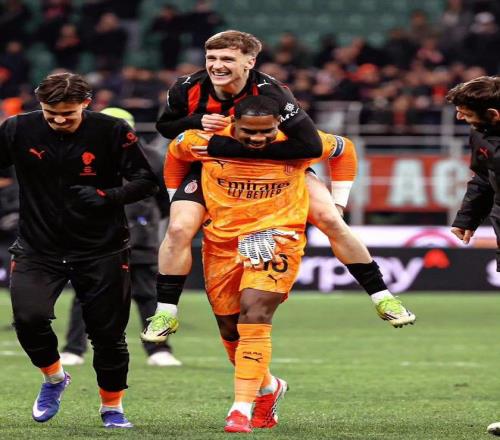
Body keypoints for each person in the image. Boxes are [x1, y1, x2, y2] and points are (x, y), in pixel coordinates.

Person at [142, 30, 415, 342]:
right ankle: (166, 312)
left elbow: (312, 146)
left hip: (279, 169)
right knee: (178, 229)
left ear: (249, 62)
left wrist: (229, 148)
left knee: (331, 220)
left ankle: (383, 297)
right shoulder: (187, 86)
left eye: (227, 59)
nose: (216, 65)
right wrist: (197, 122)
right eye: (211, 58)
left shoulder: (274, 94)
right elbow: (166, 128)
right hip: (210, 170)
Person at [166, 95, 347, 432]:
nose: (258, 138)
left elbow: (345, 149)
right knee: (229, 328)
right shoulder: (203, 141)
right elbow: (174, 153)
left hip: (278, 237)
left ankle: (240, 409)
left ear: (279, 123)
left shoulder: (303, 143)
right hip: (223, 241)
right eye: (249, 131)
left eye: (267, 131)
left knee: (256, 313)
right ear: (233, 123)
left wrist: (339, 203)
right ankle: (268, 386)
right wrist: (177, 199)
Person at [0, 73, 158, 428]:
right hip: (37, 247)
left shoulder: (112, 130)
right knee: (28, 319)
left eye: (67, 113)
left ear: (86, 104)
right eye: (50, 113)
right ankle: (54, 377)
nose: (58, 120)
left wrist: (107, 196)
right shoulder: (17, 129)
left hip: (102, 248)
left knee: (108, 336)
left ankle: (112, 408)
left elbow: (146, 181)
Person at [60, 107, 181, 368]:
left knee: (148, 294)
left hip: (139, 237)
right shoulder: (80, 157)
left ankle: (159, 349)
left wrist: (144, 221)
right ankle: (73, 348)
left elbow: (165, 199)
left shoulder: (152, 159)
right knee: (85, 293)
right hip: (94, 238)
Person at [446, 75, 500, 437]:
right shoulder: (481, 136)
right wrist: (467, 218)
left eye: (465, 113)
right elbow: (483, 178)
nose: (460, 118)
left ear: (493, 115)